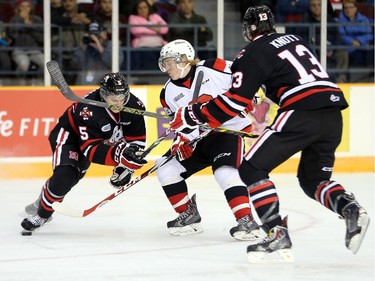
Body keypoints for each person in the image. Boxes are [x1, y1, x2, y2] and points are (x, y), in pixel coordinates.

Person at [169, 6, 370, 262]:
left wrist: (191, 115)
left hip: (300, 111)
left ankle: (276, 234)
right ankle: (349, 207)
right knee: (313, 179)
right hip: (333, 113)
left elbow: (233, 103)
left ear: (249, 29)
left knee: (251, 168)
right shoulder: (295, 39)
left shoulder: (252, 51)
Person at [155, 39, 260, 240]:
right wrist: (182, 139)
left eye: (169, 62)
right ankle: (189, 215)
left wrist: (250, 96)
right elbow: (180, 124)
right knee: (164, 165)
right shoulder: (166, 93)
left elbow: (246, 78)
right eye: (164, 63)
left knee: (225, 171)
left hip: (227, 132)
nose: (166, 67)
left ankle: (247, 221)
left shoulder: (214, 67)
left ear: (183, 60)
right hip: (199, 139)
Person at [21, 73, 147, 233]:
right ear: (103, 95)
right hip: (70, 137)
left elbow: (136, 140)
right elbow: (90, 150)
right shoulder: (88, 110)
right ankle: (42, 215)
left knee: (72, 179)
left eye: (123, 98)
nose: (119, 103)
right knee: (65, 176)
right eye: (114, 99)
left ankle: (43, 200)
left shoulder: (134, 106)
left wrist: (125, 167)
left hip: (98, 140)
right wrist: (120, 156)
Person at [299, 0, 349, 83]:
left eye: (319, 5)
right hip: (313, 50)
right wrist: (319, 48)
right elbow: (302, 40)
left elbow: (337, 38)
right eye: (313, 5)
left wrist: (332, 48)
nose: (316, 8)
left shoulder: (330, 20)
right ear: (310, 7)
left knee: (342, 53)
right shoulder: (305, 20)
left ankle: (341, 80)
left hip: (330, 50)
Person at [8, 0, 44, 84]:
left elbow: (41, 38)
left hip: (35, 50)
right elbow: (13, 36)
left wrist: (28, 26)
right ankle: (20, 85)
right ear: (18, 8)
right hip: (19, 50)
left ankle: (41, 84)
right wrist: (21, 21)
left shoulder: (37, 19)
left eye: (27, 6)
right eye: (22, 6)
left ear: (31, 7)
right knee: (23, 64)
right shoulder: (14, 19)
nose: (25, 9)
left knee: (46, 63)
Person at [337, 0, 374, 82]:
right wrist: (352, 42)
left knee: (371, 55)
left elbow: (370, 35)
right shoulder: (340, 21)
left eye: (350, 7)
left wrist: (359, 41)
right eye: (346, 8)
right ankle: (357, 81)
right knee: (358, 56)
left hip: (364, 46)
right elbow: (342, 36)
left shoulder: (364, 20)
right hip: (351, 48)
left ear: (355, 8)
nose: (348, 10)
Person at [129, 0, 169, 70]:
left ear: (148, 8)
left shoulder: (155, 16)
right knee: (149, 58)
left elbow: (165, 29)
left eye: (145, 7)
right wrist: (156, 28)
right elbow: (136, 30)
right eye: (140, 8)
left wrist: (146, 26)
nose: (142, 10)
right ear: (136, 9)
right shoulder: (133, 17)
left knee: (166, 56)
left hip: (159, 44)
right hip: (143, 45)